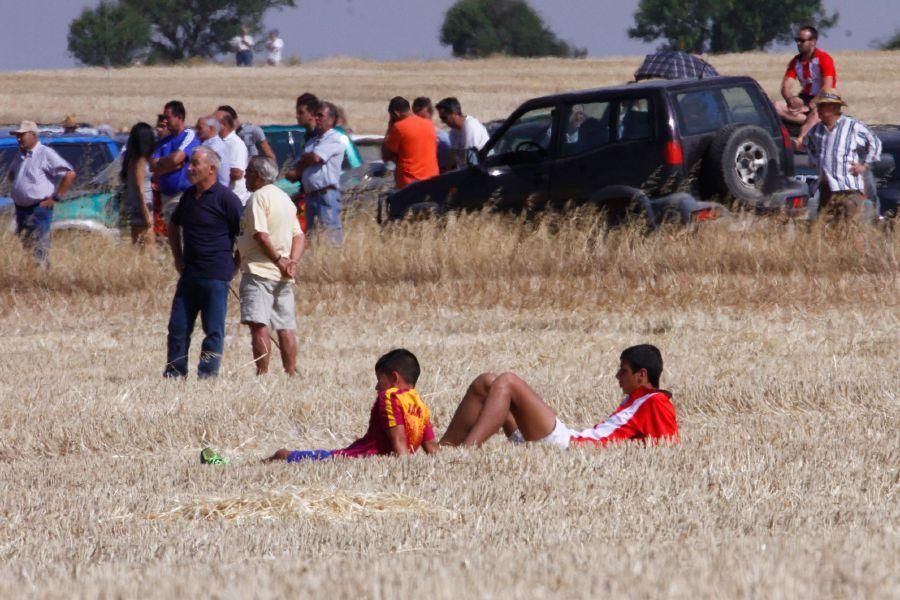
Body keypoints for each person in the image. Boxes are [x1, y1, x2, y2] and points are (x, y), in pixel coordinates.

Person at [439, 345, 678, 448]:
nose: (617, 376)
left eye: (623, 370)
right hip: (569, 442)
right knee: (487, 382)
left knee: (508, 382)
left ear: (642, 375)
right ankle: (445, 450)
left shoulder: (656, 402)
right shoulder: (636, 398)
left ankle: (465, 453)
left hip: (569, 447)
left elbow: (669, 447)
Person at [265, 349, 439, 461]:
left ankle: (282, 455)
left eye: (380, 380)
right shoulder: (419, 404)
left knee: (295, 457)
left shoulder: (390, 398)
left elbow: (399, 443)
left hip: (360, 456)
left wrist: (404, 468)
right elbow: (431, 447)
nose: (377, 387)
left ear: (394, 378)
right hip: (371, 460)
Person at [164, 147, 243, 379]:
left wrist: (235, 265)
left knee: (213, 331)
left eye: (195, 163)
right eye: (190, 163)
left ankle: (207, 373)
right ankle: (175, 372)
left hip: (216, 276)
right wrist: (177, 257)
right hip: (189, 274)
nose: (190, 168)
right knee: (178, 329)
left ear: (212, 168)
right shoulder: (188, 196)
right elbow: (172, 224)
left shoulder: (227, 199)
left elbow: (246, 235)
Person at [235, 156, 305, 376]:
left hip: (260, 270)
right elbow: (300, 236)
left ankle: (262, 374)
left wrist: (278, 260)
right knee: (285, 326)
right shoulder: (285, 199)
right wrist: (291, 261)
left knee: (259, 324)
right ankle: (291, 373)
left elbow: (261, 235)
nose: (245, 176)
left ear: (258, 175)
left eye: (248, 172)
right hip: (284, 274)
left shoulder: (257, 197)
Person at [804, 89, 882, 221]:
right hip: (827, 189)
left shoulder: (852, 126)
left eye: (824, 105)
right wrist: (818, 164)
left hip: (849, 188)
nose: (819, 109)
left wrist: (864, 165)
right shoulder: (816, 129)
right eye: (819, 105)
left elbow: (874, 142)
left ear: (835, 107)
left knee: (853, 227)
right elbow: (809, 144)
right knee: (825, 227)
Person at [6, 120, 76, 269]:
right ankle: (32, 275)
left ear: (33, 135)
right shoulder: (20, 155)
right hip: (21, 209)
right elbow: (12, 175)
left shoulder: (45, 153)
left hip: (38, 209)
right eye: (17, 136)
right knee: (27, 248)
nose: (18, 139)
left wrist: (55, 197)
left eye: (21, 135)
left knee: (39, 248)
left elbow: (69, 174)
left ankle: (43, 276)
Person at [289, 101, 346, 244]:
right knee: (312, 237)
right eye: (315, 115)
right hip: (310, 195)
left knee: (330, 236)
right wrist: (306, 159)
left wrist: (306, 159)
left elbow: (316, 158)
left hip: (325, 195)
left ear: (332, 119)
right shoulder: (313, 142)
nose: (317, 118)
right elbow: (297, 168)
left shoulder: (334, 138)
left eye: (320, 115)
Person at [774, 26, 836, 150]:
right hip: (805, 97)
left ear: (813, 42)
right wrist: (790, 99)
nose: (798, 43)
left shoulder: (824, 58)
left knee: (817, 111)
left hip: (824, 98)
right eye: (797, 40)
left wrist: (810, 106)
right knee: (777, 106)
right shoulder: (795, 62)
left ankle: (800, 139)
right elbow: (785, 86)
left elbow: (827, 86)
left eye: (802, 40)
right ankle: (812, 122)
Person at [151, 100, 199, 224]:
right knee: (172, 236)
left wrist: (164, 163)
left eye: (168, 117)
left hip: (182, 196)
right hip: (166, 197)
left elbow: (176, 159)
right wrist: (172, 166)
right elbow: (152, 165)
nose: (165, 121)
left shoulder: (188, 135)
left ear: (180, 117)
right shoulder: (163, 141)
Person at [382, 96, 439, 189]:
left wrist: (390, 128)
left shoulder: (399, 127)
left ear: (395, 113)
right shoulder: (429, 124)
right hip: (432, 180)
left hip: (409, 183)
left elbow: (386, 154)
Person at [121, 122, 156, 249]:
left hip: (133, 206)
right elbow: (140, 189)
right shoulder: (139, 161)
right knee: (149, 246)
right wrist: (146, 214)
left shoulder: (130, 159)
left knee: (137, 246)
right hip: (143, 206)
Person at [435, 97, 490, 170]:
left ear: (454, 113)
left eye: (444, 118)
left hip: (482, 169)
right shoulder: (454, 131)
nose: (444, 122)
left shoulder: (470, 126)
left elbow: (469, 158)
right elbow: (453, 154)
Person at [215, 108, 250, 206]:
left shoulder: (235, 144)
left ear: (224, 125)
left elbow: (237, 173)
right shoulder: (219, 142)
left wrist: (211, 170)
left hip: (234, 201)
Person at [412, 97, 452, 173]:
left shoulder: (442, 138)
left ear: (431, 114)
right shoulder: (410, 135)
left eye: (423, 118)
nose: (419, 122)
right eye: (416, 118)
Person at [194, 115, 231, 187]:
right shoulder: (205, 144)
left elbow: (223, 177)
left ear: (211, 129)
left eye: (199, 128)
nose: (196, 131)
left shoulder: (216, 148)